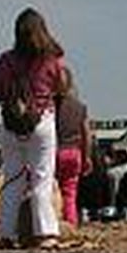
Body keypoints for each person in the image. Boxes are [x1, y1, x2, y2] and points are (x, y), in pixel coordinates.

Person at [0, 7, 69, 248]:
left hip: (12, 123)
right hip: (42, 120)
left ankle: (7, 234)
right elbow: (62, 88)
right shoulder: (51, 60)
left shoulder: (5, 60)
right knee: (42, 178)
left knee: (12, 178)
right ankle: (46, 234)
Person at [54, 69, 93, 226]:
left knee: (51, 190)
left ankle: (52, 223)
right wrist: (87, 157)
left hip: (54, 151)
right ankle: (71, 223)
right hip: (73, 153)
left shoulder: (49, 107)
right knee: (70, 192)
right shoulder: (80, 107)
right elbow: (86, 134)